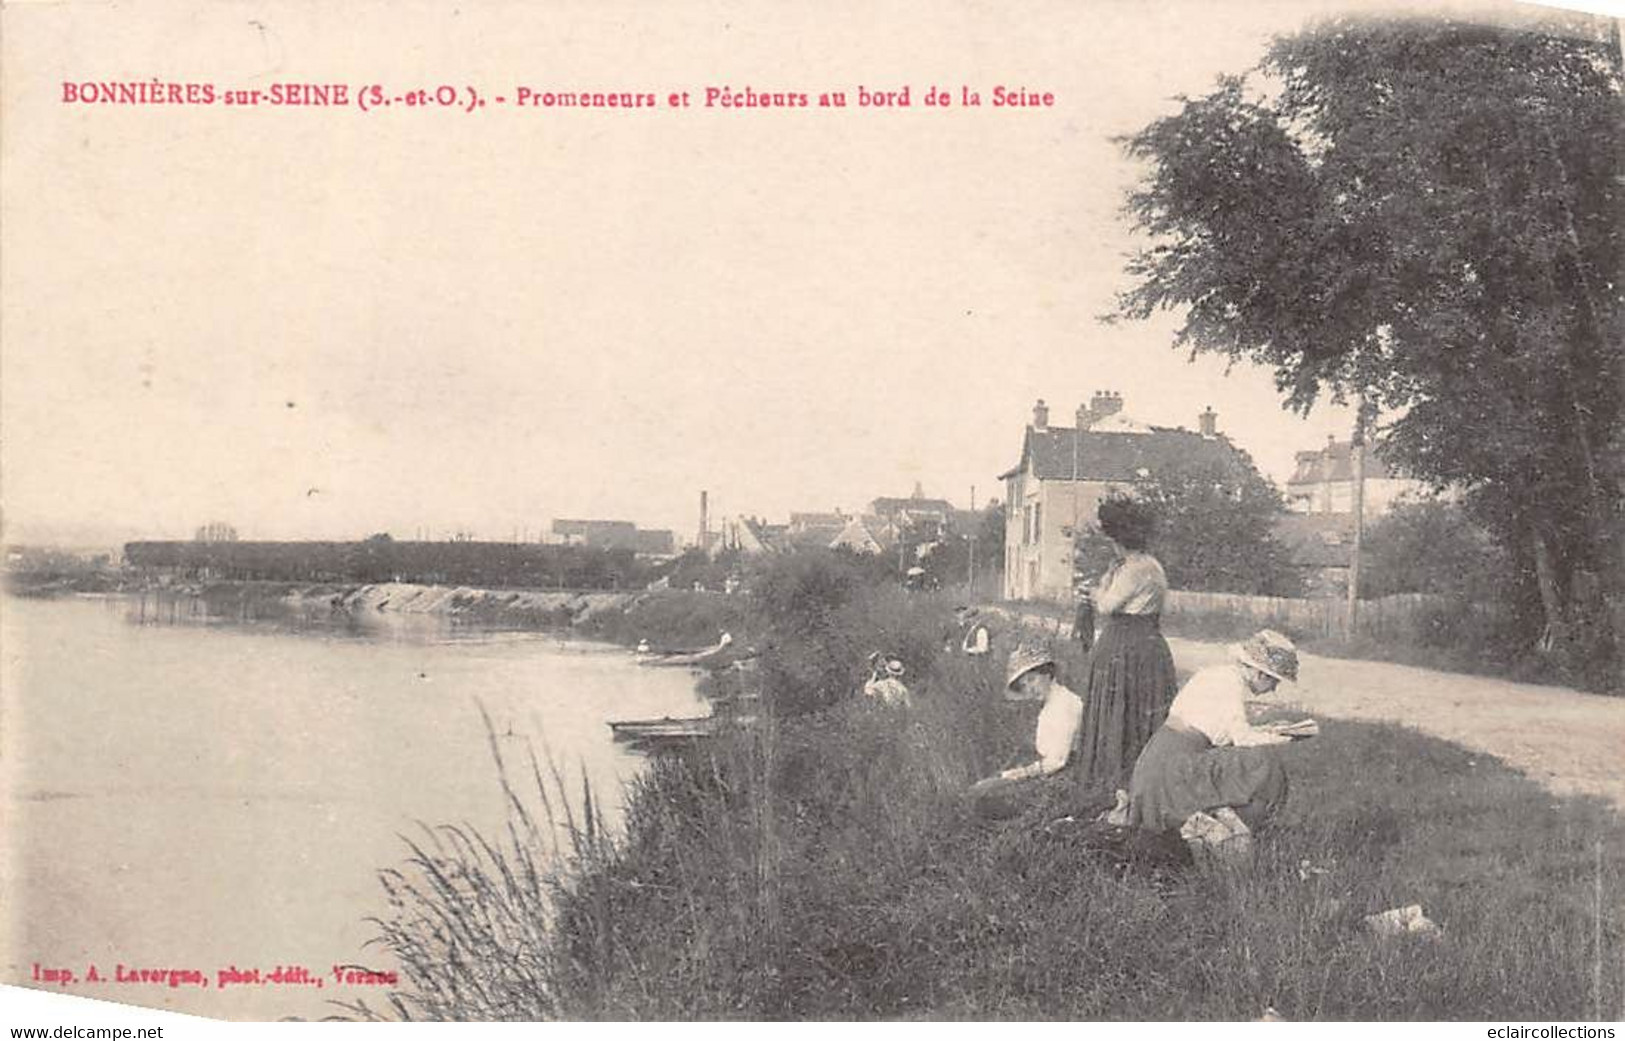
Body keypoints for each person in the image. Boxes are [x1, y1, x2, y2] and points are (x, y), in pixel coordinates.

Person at [1127, 630, 1314, 862]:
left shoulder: (1216, 675)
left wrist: (1269, 731)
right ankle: (1239, 831)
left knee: (1248, 763)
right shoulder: (1230, 685)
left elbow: (1222, 732)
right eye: (1274, 681)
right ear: (1259, 673)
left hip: (1162, 757)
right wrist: (1286, 737)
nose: (1274, 689)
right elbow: (1242, 740)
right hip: (1174, 767)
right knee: (1264, 764)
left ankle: (1231, 826)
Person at [1075, 495, 1178, 789]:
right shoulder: (1154, 566)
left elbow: (1107, 606)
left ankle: (1113, 775)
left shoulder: (1134, 569)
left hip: (1124, 643)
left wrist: (1094, 592)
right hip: (1150, 643)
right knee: (1142, 706)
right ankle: (1144, 774)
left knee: (1119, 705)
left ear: (1118, 538)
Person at [968, 644, 1084, 815]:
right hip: (1049, 771)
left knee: (981, 795)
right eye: (1024, 685)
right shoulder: (1053, 701)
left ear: (1047, 673)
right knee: (981, 789)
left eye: (1032, 679)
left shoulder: (1063, 705)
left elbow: (1057, 762)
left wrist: (1019, 774)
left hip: (1062, 777)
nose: (1029, 689)